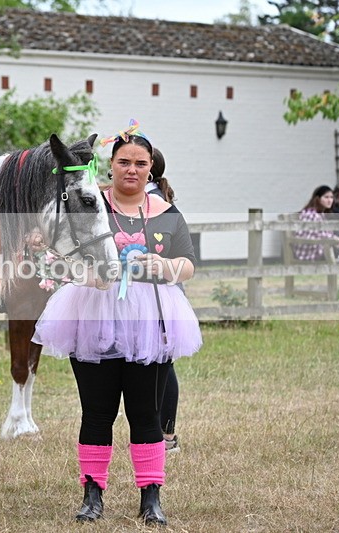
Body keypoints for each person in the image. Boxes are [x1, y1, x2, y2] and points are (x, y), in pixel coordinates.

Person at [33, 120, 202, 525]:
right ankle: (92, 493)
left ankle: (151, 496)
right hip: (94, 311)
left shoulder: (165, 212)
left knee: (146, 412)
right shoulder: (90, 202)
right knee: (96, 411)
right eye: (124, 162)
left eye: (140, 163)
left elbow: (189, 265)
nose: (131, 169)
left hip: (150, 317)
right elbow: (60, 251)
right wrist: (78, 270)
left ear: (151, 168)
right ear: (111, 166)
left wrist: (164, 265)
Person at [146, 148, 180, 453]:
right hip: (135, 290)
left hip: (158, 289)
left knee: (162, 362)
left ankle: (167, 435)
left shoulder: (156, 203)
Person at [292, 185, 339, 262]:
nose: (330, 200)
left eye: (331, 197)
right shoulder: (310, 214)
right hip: (310, 252)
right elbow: (311, 235)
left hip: (323, 247)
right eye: (326, 197)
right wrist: (334, 239)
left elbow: (323, 234)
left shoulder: (321, 214)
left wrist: (334, 239)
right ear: (318, 199)